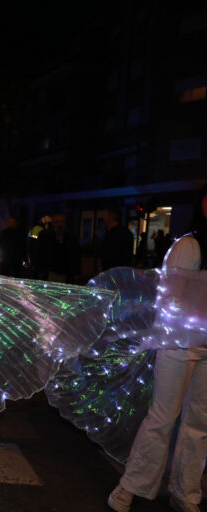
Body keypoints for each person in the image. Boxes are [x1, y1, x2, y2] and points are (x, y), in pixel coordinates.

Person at [107, 184, 207, 512]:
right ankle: (130, 487)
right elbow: (170, 297)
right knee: (163, 416)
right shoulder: (188, 245)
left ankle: (186, 492)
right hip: (179, 343)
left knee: (198, 424)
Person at [34, 212, 80, 283]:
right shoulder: (45, 237)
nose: (60, 224)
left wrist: (76, 273)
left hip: (66, 273)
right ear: (53, 223)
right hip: (49, 272)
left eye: (62, 222)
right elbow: (39, 253)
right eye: (57, 222)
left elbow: (75, 256)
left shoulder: (71, 238)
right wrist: (40, 270)